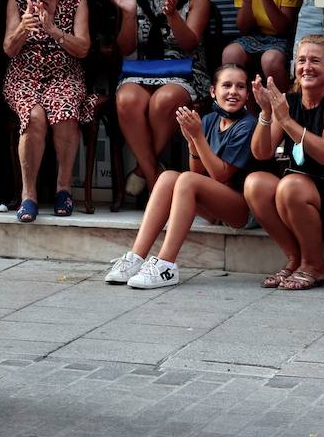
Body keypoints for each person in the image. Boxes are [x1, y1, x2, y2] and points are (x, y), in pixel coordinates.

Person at [103, 64, 258, 289]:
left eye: (240, 87)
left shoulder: (247, 125)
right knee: (167, 178)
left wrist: (197, 137)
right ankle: (136, 258)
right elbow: (197, 174)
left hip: (242, 209)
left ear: (247, 94)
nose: (233, 91)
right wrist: (192, 143)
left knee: (185, 179)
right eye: (226, 85)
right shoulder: (209, 121)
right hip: (216, 205)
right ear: (213, 91)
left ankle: (166, 265)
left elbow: (221, 175)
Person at [244, 35, 324, 290]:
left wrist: (287, 121)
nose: (307, 67)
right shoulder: (289, 102)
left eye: (315, 60)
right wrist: (267, 113)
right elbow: (262, 153)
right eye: (301, 60)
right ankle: (295, 259)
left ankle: (315, 266)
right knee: (255, 183)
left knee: (290, 185)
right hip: (302, 194)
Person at [110, 0, 212, 197]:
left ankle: (144, 172)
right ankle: (157, 180)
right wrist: (129, 15)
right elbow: (126, 47)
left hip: (186, 71)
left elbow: (190, 43)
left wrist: (173, 16)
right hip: (142, 70)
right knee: (126, 99)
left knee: (163, 101)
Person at [2, 0, 94, 221]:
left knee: (65, 111)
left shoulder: (76, 2)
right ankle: (29, 196)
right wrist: (23, 30)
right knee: (34, 116)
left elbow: (83, 48)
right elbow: (8, 48)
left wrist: (53, 30)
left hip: (64, 75)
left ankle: (63, 189)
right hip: (24, 76)